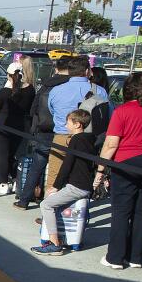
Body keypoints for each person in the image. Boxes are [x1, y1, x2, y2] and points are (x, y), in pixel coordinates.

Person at [95, 72, 142, 269]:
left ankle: (115, 257)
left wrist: (100, 170)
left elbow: (111, 144)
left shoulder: (123, 110)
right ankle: (136, 256)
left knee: (121, 210)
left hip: (127, 162)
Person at [32, 109, 95, 255]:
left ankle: (54, 244)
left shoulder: (75, 140)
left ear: (77, 124)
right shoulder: (89, 139)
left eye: (68, 122)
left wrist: (55, 186)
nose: (66, 125)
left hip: (76, 186)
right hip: (86, 185)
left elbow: (67, 165)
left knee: (46, 204)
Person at [15, 56, 72, 209]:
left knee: (37, 166)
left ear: (56, 68)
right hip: (64, 131)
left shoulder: (47, 85)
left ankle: (24, 199)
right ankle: (51, 203)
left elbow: (34, 108)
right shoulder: (70, 85)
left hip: (43, 129)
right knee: (59, 169)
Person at [46, 56, 107, 194]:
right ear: (87, 71)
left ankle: (49, 209)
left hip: (61, 136)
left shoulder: (56, 90)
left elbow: (51, 110)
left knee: (54, 176)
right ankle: (76, 212)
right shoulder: (99, 91)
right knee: (81, 180)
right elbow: (107, 114)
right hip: (88, 140)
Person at [0, 58, 36, 194]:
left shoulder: (5, 91)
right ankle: (17, 181)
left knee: (3, 155)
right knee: (16, 155)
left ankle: (4, 183)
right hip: (22, 125)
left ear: (9, 75)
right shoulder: (30, 89)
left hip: (4, 125)